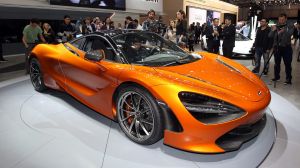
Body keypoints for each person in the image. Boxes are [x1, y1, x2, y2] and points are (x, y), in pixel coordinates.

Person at [269, 13, 294, 85]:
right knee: (276, 64)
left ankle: (288, 79)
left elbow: (290, 34)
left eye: (282, 19)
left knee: (288, 64)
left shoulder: (290, 26)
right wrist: (273, 30)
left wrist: (284, 30)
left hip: (286, 48)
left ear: (286, 19)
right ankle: (277, 77)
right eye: (280, 19)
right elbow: (270, 36)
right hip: (277, 48)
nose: (281, 21)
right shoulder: (275, 26)